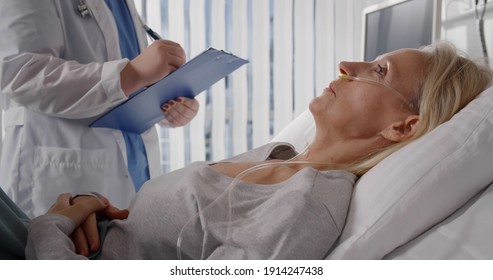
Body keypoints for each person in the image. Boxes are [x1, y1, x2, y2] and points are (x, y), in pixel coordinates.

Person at [25, 42, 493, 259]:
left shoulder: (305, 207)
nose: (347, 64)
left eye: (379, 70)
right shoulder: (281, 155)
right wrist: (93, 209)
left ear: (403, 125)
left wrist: (51, 227)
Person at [0, 0, 199, 218]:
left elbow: (127, 83)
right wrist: (131, 74)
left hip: (136, 169)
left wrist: (166, 101)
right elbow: (21, 74)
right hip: (64, 174)